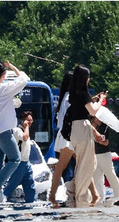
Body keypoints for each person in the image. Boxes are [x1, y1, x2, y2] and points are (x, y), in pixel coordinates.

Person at [0, 60, 30, 202]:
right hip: (2, 130)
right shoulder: (3, 89)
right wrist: (13, 67)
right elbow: (24, 79)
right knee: (15, 159)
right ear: (3, 74)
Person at [67, 64, 106, 208]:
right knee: (86, 165)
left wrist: (93, 99)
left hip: (75, 129)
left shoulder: (74, 94)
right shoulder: (83, 93)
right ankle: (81, 198)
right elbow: (93, 111)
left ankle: (72, 187)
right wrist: (101, 100)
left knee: (85, 163)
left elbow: (84, 106)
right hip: (83, 128)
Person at [49, 71, 75, 208]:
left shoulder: (64, 96)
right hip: (68, 135)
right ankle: (54, 195)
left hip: (64, 134)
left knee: (67, 166)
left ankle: (57, 193)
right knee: (63, 167)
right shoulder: (69, 97)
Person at [3, 111, 36, 203]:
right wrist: (26, 127)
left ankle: (30, 204)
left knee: (30, 186)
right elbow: (24, 137)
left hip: (26, 162)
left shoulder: (26, 131)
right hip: (19, 163)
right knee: (12, 185)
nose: (30, 122)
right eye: (28, 120)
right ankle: (2, 201)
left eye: (31, 120)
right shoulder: (17, 130)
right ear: (23, 121)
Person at [91, 116, 119, 206]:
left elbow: (106, 142)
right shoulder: (91, 126)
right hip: (95, 154)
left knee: (110, 173)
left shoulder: (105, 127)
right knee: (95, 176)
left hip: (104, 154)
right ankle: (90, 194)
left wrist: (100, 140)